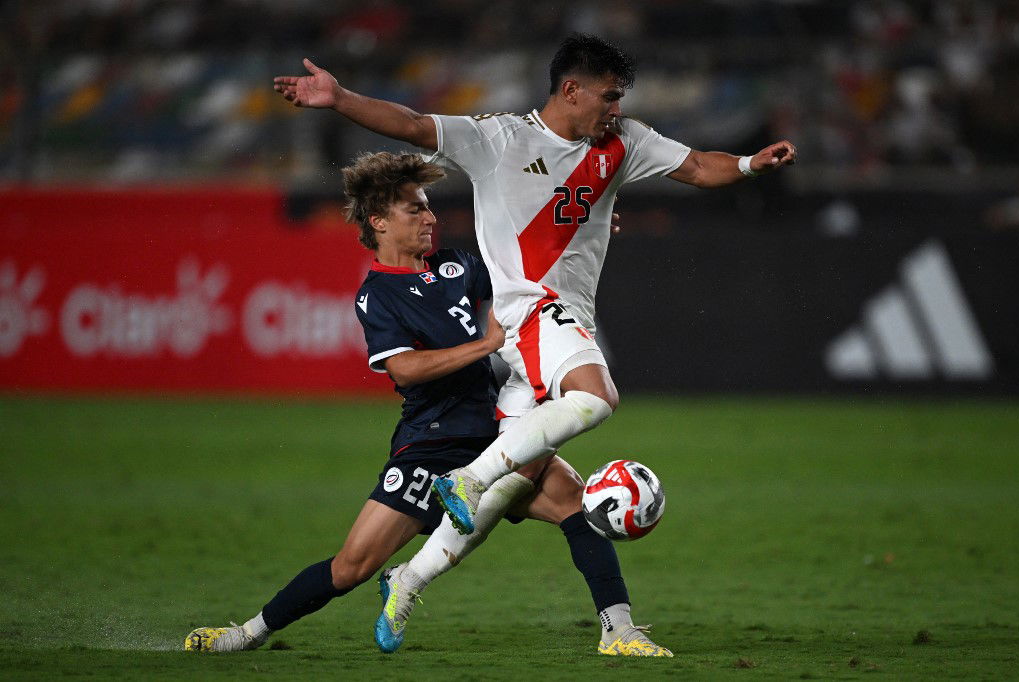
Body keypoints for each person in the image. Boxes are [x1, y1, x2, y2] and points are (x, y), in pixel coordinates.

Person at [273, 33, 797, 539]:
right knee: (594, 401)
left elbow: (703, 167)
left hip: (564, 322)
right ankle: (472, 482)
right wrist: (339, 99)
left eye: (620, 98)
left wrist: (752, 164)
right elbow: (412, 124)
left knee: (512, 483)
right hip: (534, 318)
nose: (615, 109)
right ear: (571, 91)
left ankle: (411, 579)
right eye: (609, 96)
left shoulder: (625, 141)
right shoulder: (498, 138)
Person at [184, 151, 671, 657]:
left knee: (572, 500)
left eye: (428, 208)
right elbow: (404, 369)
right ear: (379, 222)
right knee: (352, 566)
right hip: (431, 445)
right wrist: (484, 346)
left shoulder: (456, 265)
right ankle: (246, 633)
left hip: (493, 431)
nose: (430, 217)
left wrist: (581, 232)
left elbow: (522, 270)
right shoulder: (378, 295)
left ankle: (619, 631)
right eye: (415, 210)